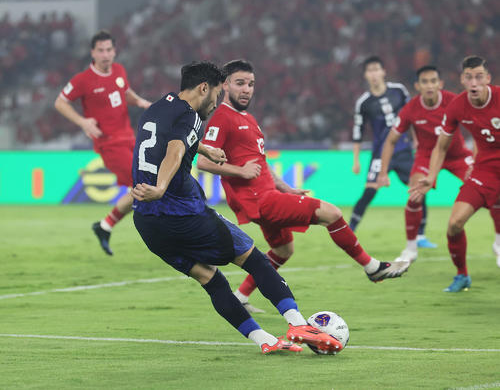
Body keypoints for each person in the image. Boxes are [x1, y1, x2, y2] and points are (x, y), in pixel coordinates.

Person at [131, 61, 345, 354]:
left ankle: (265, 340)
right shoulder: (192, 117)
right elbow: (175, 149)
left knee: (211, 279)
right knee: (255, 259)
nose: (217, 102)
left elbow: (167, 141)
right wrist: (161, 186)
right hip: (183, 214)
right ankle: (297, 323)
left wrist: (204, 148)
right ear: (203, 88)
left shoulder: (156, 109)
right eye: (217, 94)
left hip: (147, 223)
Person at [197, 59, 409, 313]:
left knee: (283, 249)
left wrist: (286, 188)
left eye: (251, 84)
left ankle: (240, 296)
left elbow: (261, 164)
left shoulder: (248, 119)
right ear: (225, 85)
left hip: (269, 194)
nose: (247, 89)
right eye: (240, 83)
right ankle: (372, 267)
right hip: (258, 200)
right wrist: (239, 171)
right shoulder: (222, 118)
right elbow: (203, 162)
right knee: (332, 213)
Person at [55, 30, 152, 256]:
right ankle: (173, 231)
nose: (106, 54)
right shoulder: (82, 80)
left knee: (142, 187)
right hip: (109, 144)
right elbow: (60, 102)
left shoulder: (119, 71)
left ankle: (105, 226)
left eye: (109, 49)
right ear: (93, 53)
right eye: (101, 50)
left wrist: (140, 101)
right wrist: (83, 122)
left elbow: (125, 92)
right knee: (144, 184)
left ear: (114, 51)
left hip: (130, 138)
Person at [411, 56, 500, 292]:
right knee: (454, 223)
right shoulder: (457, 106)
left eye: (479, 76)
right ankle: (462, 275)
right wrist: (431, 176)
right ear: (462, 80)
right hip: (485, 170)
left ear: (488, 79)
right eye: (469, 77)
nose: (474, 82)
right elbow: (441, 146)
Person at [377, 65, 480, 263]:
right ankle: (410, 248)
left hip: (457, 155)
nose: (429, 85)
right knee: (414, 195)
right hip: (425, 156)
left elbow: (476, 128)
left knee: (488, 191)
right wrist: (383, 172)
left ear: (440, 84)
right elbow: (390, 140)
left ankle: (498, 244)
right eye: (425, 82)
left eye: (433, 81)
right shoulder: (411, 109)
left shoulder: (453, 101)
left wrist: (476, 160)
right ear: (418, 86)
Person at [350, 56, 436, 248]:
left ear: (383, 71)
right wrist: (356, 160)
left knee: (419, 189)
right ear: (366, 75)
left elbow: (412, 114)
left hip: (404, 150)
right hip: (380, 154)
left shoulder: (399, 91)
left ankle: (420, 235)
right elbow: (358, 131)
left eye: (376, 69)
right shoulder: (364, 103)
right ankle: (350, 230)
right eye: (369, 70)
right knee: (369, 192)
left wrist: (416, 139)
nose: (373, 74)